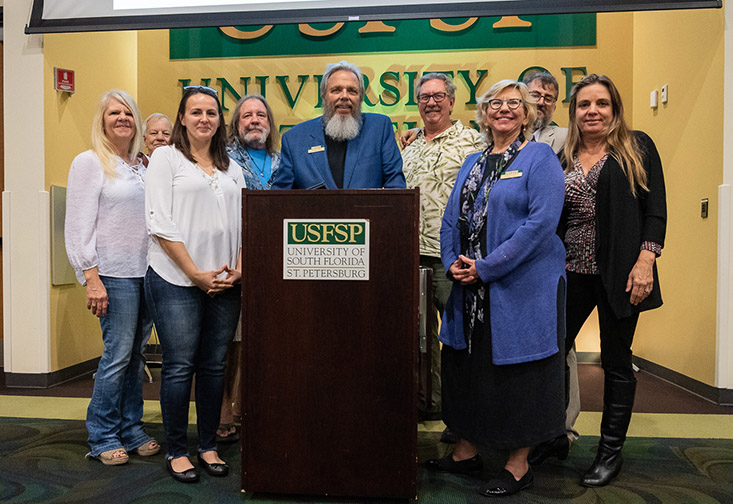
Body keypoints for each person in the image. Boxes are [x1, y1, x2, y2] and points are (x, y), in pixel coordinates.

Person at [425, 80, 566, 498]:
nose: (504, 110)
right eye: (495, 104)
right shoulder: (472, 161)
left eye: (513, 104)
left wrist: (486, 267)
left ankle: (518, 465)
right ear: (484, 114)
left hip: (519, 288)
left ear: (527, 114)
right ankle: (466, 452)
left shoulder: (539, 157)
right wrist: (453, 261)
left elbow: (540, 224)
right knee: (469, 369)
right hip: (468, 288)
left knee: (518, 376)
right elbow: (451, 218)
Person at [559, 74, 666, 487]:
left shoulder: (636, 147)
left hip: (621, 272)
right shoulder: (564, 155)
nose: (593, 111)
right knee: (553, 353)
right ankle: (553, 434)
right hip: (570, 270)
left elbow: (655, 209)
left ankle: (609, 453)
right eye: (584, 105)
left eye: (602, 103)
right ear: (574, 113)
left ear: (614, 109)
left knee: (617, 362)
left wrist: (646, 260)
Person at [144, 85, 245, 483]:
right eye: (196, 111)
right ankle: (175, 450)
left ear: (220, 120)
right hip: (175, 280)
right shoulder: (165, 159)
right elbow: (159, 222)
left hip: (225, 282)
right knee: (179, 366)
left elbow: (243, 225)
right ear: (182, 118)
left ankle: (207, 445)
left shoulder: (230, 166)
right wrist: (193, 273)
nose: (204, 118)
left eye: (212, 112)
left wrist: (239, 269)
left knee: (213, 365)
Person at [65, 89, 160, 466]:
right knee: (118, 356)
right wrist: (91, 277)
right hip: (112, 274)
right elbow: (77, 225)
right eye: (114, 113)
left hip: (147, 273)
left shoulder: (144, 165)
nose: (122, 118)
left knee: (137, 357)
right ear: (102, 121)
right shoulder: (89, 163)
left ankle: (131, 427)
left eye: (128, 113)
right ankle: (103, 434)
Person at [402, 73, 484, 428]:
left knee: (455, 336)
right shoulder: (408, 143)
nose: (431, 102)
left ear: (452, 101)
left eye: (438, 96)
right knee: (414, 336)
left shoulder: (473, 142)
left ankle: (461, 413)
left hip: (450, 256)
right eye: (424, 97)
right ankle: (429, 403)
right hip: (406, 254)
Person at [522, 70, 581, 464]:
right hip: (509, 257)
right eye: (535, 94)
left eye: (549, 96)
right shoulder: (500, 134)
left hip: (553, 253)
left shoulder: (564, 139)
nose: (541, 101)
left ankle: (565, 427)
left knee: (563, 341)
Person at [271, 60, 405, 190]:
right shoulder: (294, 139)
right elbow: (279, 198)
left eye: (352, 91)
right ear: (323, 96)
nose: (344, 96)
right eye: (336, 90)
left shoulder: (379, 128)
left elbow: (396, 184)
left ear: (361, 97)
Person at [227, 94, 281, 189]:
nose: (255, 120)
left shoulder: (283, 162)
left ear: (269, 123)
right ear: (237, 124)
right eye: (247, 116)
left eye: (261, 115)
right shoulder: (224, 159)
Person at [524, 71, 567, 153]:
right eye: (535, 95)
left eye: (548, 99)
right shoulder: (506, 134)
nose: (541, 102)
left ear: (554, 107)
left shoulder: (565, 137)